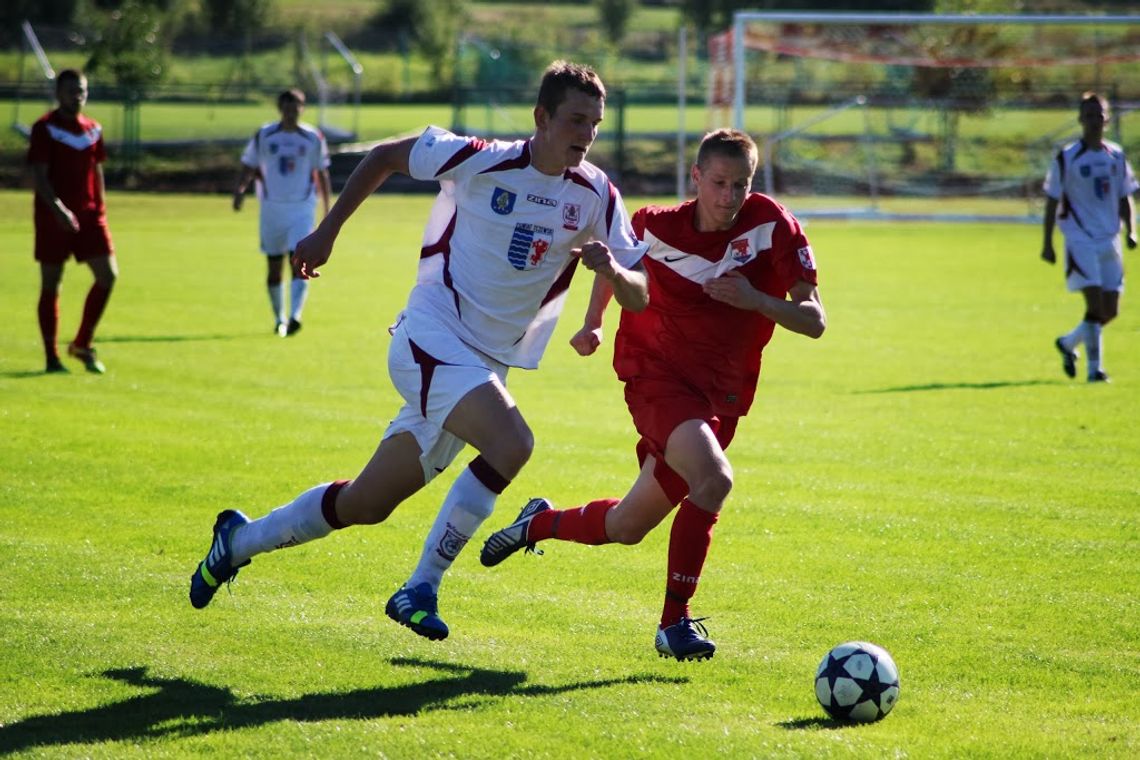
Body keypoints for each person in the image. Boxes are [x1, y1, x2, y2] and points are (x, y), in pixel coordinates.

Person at [188, 61, 649, 642]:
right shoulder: (482, 158)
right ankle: (421, 587)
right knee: (513, 443)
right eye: (576, 120)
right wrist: (327, 233)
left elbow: (638, 291)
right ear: (541, 118)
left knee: (364, 503)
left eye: (596, 123)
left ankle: (237, 541)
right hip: (429, 337)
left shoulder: (596, 193)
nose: (587, 133)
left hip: (485, 365)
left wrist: (610, 277)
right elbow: (383, 156)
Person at [480, 128, 827, 661]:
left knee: (626, 525)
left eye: (741, 185)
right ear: (696, 177)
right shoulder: (653, 225)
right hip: (657, 377)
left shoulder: (773, 227)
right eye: (718, 183)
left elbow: (814, 321)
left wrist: (756, 298)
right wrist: (594, 323)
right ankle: (674, 625)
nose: (729, 197)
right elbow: (618, 269)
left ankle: (537, 522)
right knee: (712, 480)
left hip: (723, 397)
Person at [1042, 91, 1138, 383]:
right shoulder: (1067, 158)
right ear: (1080, 119)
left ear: (1107, 119)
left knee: (1110, 310)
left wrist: (1131, 230)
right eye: (1089, 115)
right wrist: (1047, 242)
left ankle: (1069, 343)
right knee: (1094, 306)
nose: (1094, 120)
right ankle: (1095, 370)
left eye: (1099, 115)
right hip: (1080, 238)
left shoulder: (1117, 156)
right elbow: (1051, 199)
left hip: (1110, 238)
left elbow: (1125, 196)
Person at [27, 69, 117, 374]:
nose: (77, 96)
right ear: (58, 93)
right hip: (53, 218)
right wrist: (58, 209)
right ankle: (52, 357)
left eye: (82, 91)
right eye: (71, 91)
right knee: (52, 283)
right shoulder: (45, 128)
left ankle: (81, 343)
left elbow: (97, 170)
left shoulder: (93, 129)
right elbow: (39, 175)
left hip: (90, 215)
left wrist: (100, 208)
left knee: (108, 275)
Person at [233, 88, 332, 336]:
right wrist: (240, 190)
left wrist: (328, 208)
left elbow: (322, 172)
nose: (291, 112)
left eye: (296, 106)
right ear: (280, 109)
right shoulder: (265, 135)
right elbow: (249, 164)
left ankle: (295, 315)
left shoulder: (312, 137)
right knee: (274, 266)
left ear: (303, 108)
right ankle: (279, 318)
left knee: (299, 262)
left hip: (302, 208)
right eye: (287, 107)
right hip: (272, 209)